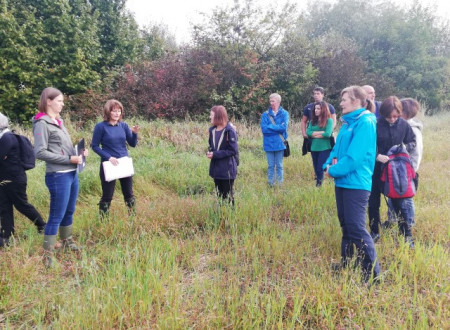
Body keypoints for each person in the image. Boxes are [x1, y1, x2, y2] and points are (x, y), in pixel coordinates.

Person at [323, 85, 380, 282]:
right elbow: (336, 150)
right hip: (342, 181)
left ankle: (372, 275)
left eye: (344, 99)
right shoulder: (349, 122)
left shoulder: (365, 122)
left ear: (356, 101)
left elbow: (354, 157)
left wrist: (334, 170)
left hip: (356, 183)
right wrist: (327, 165)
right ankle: (346, 262)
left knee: (356, 228)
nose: (341, 103)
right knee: (346, 224)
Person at [33, 87, 88, 267]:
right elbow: (40, 152)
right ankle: (47, 255)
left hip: (71, 173)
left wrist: (79, 153)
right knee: (56, 214)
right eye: (59, 101)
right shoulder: (41, 123)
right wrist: (68, 159)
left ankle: (66, 241)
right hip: (58, 175)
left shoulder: (59, 121)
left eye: (62, 101)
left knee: (70, 210)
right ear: (48, 101)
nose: (62, 104)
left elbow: (61, 147)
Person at [368, 96, 416, 244]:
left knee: (399, 201)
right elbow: (367, 147)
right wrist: (377, 156)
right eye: (389, 117)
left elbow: (412, 141)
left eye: (396, 116)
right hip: (377, 169)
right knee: (374, 201)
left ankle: (406, 234)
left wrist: (405, 150)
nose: (392, 119)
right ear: (383, 114)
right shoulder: (375, 124)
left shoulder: (404, 125)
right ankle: (374, 231)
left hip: (396, 171)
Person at [0, 113, 46, 247]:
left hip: (14, 179)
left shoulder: (7, 138)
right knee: (4, 206)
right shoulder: (4, 138)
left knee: (21, 204)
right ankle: (6, 235)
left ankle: (42, 225)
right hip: (5, 179)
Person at [383, 98, 423, 245]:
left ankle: (409, 222)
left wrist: (410, 170)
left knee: (406, 198)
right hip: (397, 169)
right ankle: (392, 219)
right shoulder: (400, 126)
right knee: (395, 195)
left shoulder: (411, 129)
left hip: (406, 170)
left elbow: (415, 152)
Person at [91, 100, 139, 219]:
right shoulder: (100, 127)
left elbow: (132, 144)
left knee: (129, 194)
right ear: (108, 112)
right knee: (107, 196)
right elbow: (95, 146)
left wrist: (135, 134)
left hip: (123, 163)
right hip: (109, 164)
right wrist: (108, 157)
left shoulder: (123, 125)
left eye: (119, 111)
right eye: (114, 111)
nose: (117, 113)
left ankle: (133, 219)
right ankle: (103, 221)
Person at [206, 105, 238, 205]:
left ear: (218, 116)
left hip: (227, 169)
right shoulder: (212, 130)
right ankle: (221, 215)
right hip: (216, 169)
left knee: (228, 197)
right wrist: (210, 152)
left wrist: (215, 154)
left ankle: (230, 217)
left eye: (211, 115)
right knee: (220, 196)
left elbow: (233, 150)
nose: (210, 117)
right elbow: (212, 146)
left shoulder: (230, 131)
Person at [260, 93, 289, 187]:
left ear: (278, 102)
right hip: (268, 144)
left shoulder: (284, 113)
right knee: (270, 165)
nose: (271, 103)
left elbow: (284, 128)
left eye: (273, 101)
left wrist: (270, 127)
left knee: (279, 165)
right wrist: (277, 127)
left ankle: (279, 184)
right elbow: (264, 129)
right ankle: (270, 184)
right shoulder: (265, 114)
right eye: (270, 101)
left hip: (280, 143)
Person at [306, 101, 333, 187]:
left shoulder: (329, 120)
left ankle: (319, 185)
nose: (316, 111)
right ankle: (318, 183)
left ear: (324, 110)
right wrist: (321, 132)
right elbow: (308, 132)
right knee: (316, 168)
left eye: (318, 109)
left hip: (325, 148)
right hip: (314, 148)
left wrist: (314, 134)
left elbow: (328, 134)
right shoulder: (312, 121)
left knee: (320, 167)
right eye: (315, 109)